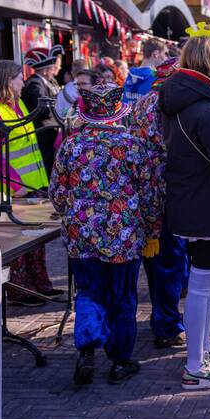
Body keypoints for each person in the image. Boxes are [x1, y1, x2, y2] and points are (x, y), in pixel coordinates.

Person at [50, 85, 160, 385]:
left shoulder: (71, 145)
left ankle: (86, 349)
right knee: (122, 296)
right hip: (123, 235)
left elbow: (57, 194)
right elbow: (150, 194)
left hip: (81, 234)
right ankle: (120, 360)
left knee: (88, 291)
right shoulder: (133, 146)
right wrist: (152, 229)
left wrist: (73, 213)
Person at [159, 35, 210, 390]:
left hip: (187, 199)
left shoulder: (177, 100)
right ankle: (196, 363)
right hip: (206, 202)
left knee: (200, 284)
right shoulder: (206, 107)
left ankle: (201, 354)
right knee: (203, 286)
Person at [0, 60, 58, 305]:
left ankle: (39, 284)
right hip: (9, 190)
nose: (23, 82)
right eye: (19, 78)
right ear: (6, 81)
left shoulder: (15, 104)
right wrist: (15, 185)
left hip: (30, 186)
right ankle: (20, 291)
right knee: (18, 244)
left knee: (34, 237)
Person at [126, 56, 189, 350]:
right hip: (167, 193)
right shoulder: (172, 104)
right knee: (169, 261)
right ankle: (166, 325)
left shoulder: (139, 104)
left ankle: (163, 319)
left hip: (142, 192)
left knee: (156, 261)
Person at [21, 44, 64, 176]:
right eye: (52, 68)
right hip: (42, 131)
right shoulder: (35, 83)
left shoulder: (44, 82)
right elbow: (42, 108)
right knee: (46, 162)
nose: (54, 71)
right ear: (45, 70)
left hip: (48, 130)